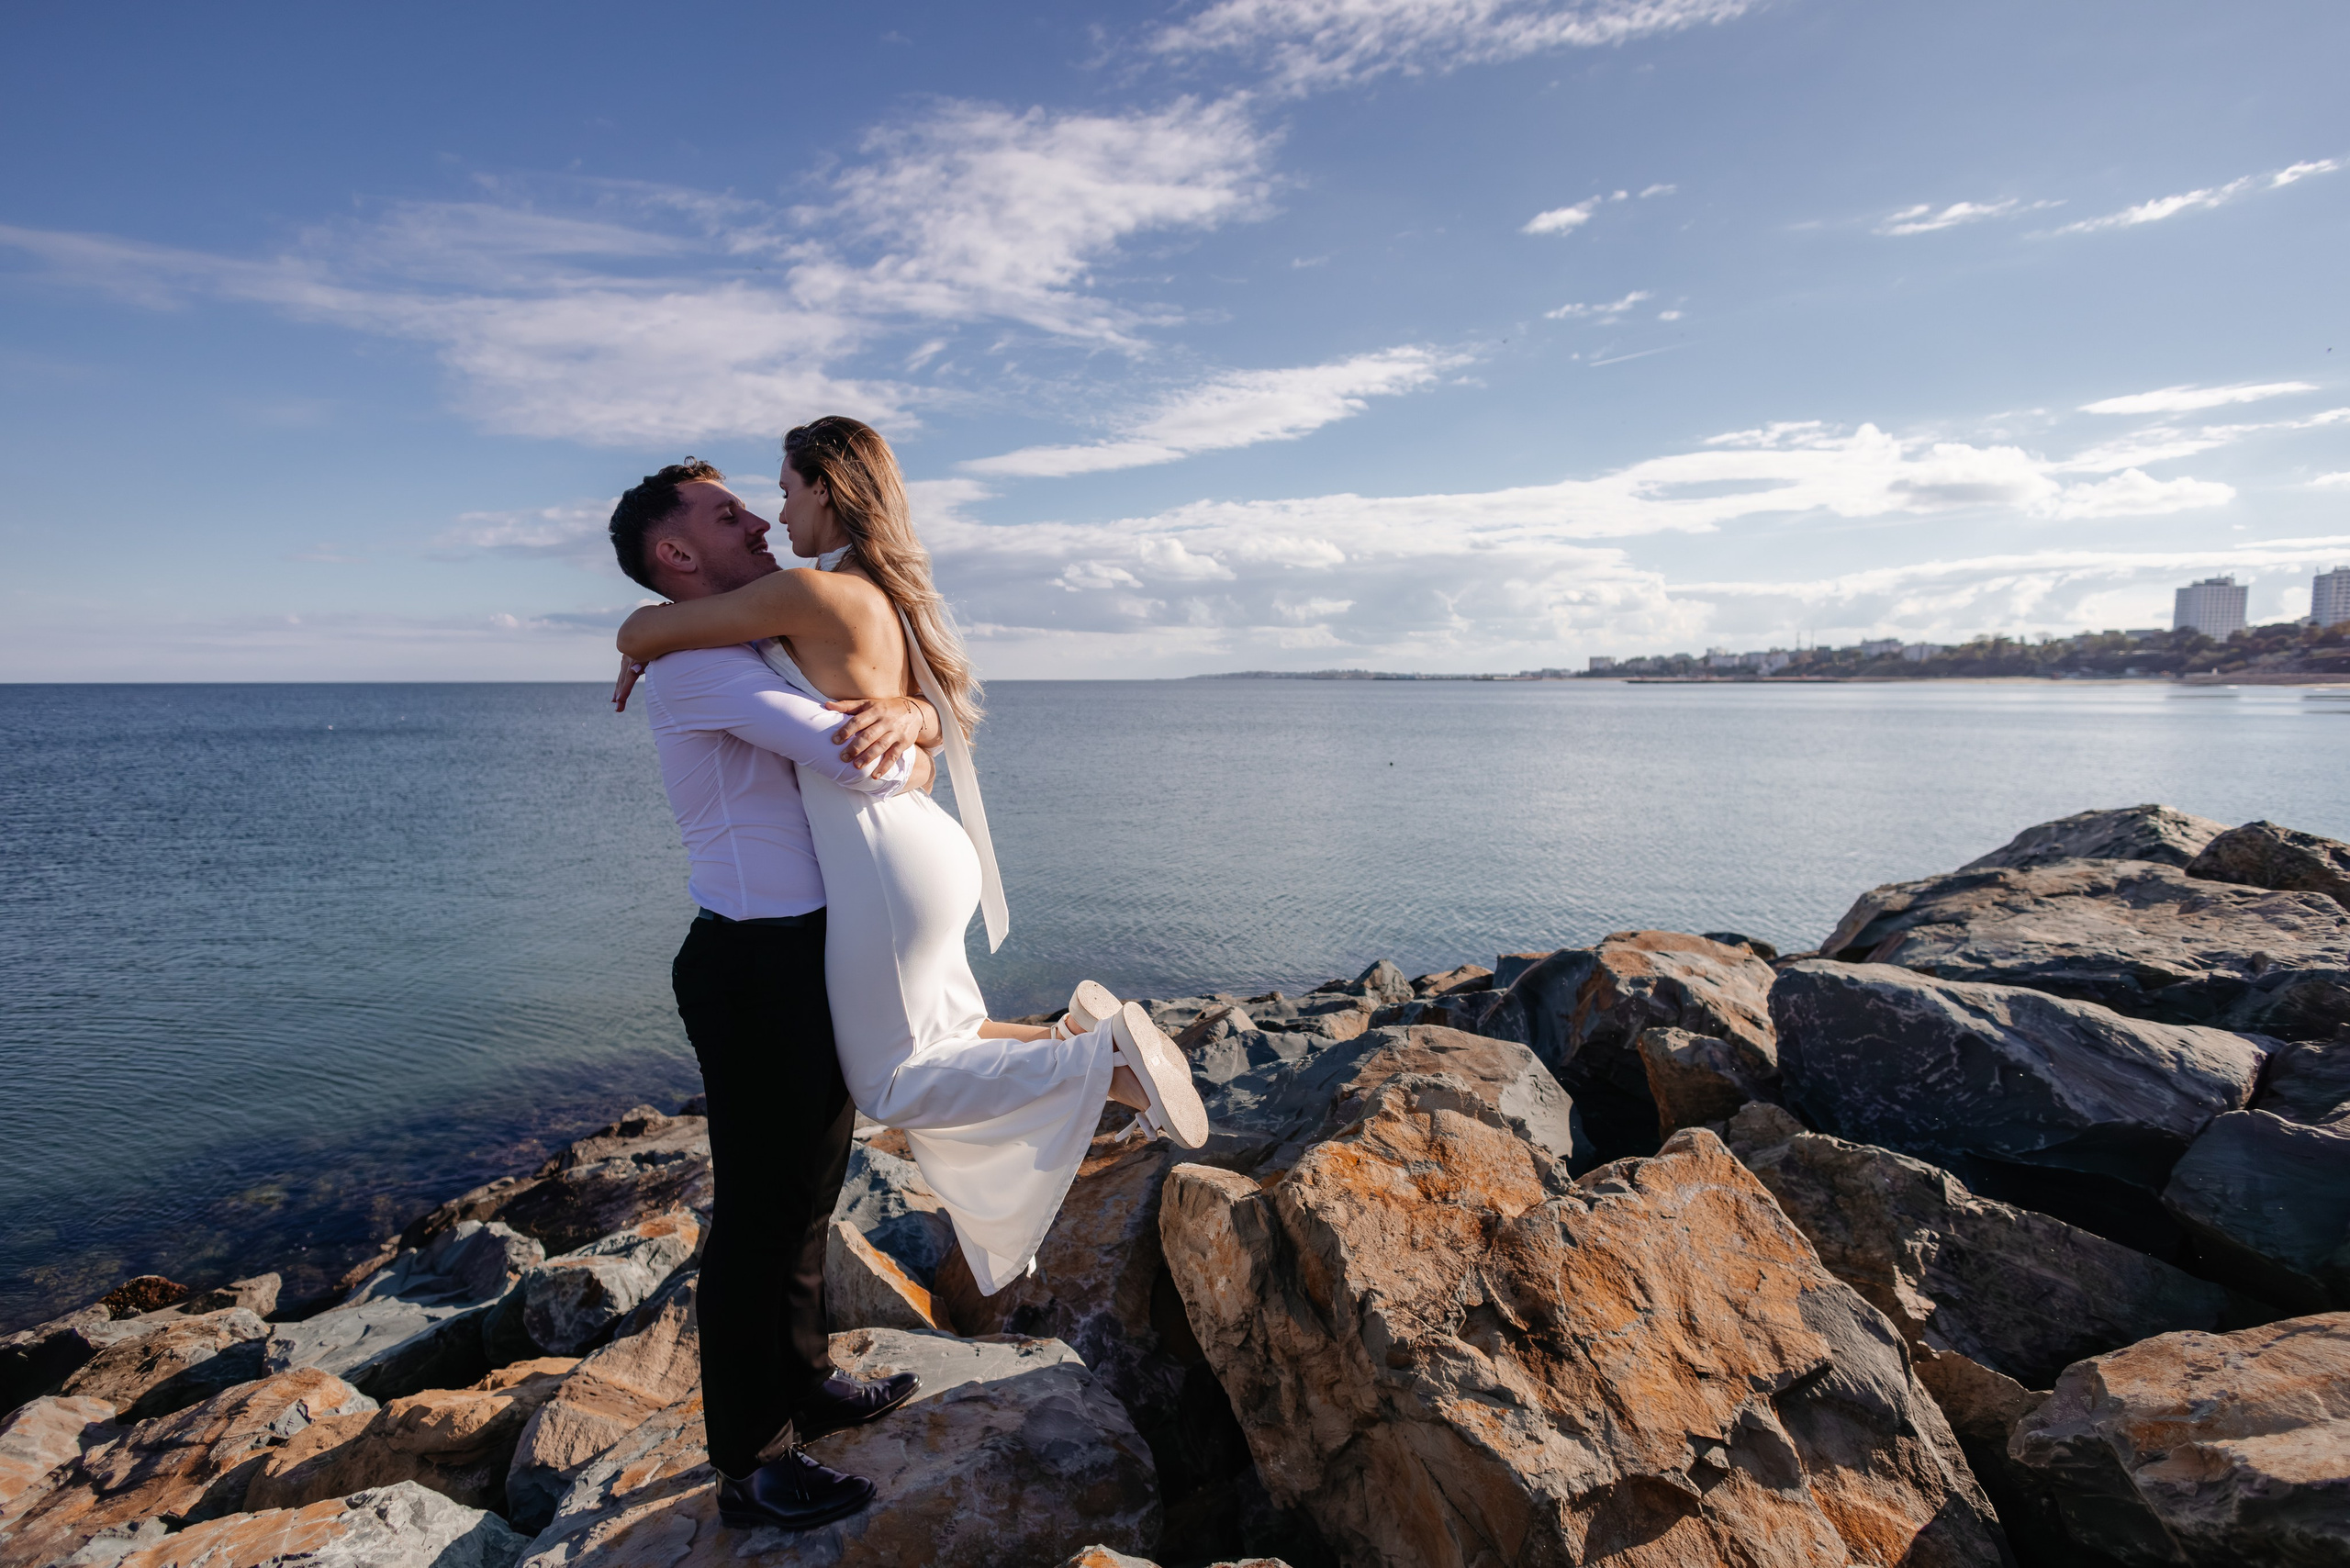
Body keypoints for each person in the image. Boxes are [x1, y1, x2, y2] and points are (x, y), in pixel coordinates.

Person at [607, 458, 932, 1532]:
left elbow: (901, 728)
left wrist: (918, 721)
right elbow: (859, 759)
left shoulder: (732, 642)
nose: (758, 521)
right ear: (676, 554)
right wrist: (905, 730)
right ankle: (749, 1464)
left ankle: (800, 1382)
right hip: (751, 966)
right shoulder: (697, 667)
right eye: (726, 513)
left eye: (754, 503)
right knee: (756, 1217)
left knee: (807, 1193)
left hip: (799, 955)